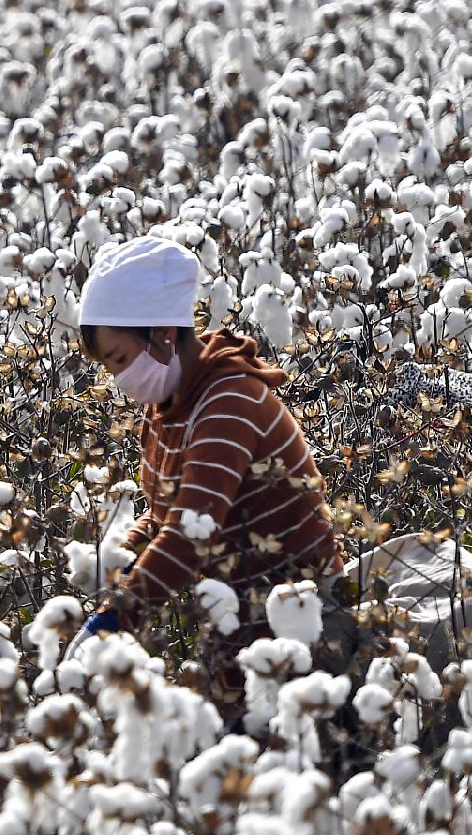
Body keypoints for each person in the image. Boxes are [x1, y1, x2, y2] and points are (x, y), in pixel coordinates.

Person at [69, 237, 342, 666]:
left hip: (299, 620)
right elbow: (166, 519)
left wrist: (115, 617)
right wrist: (118, 559)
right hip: (241, 617)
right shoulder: (170, 404)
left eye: (119, 359)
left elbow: (188, 533)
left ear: (163, 333)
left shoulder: (229, 403)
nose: (119, 379)